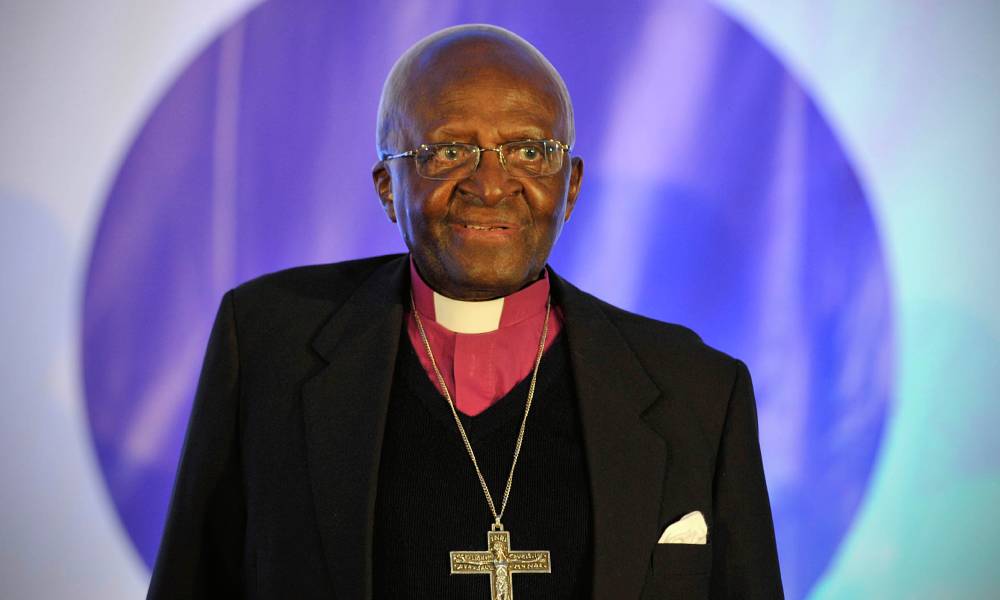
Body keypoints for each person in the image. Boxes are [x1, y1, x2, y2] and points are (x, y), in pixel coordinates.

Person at [147, 24, 782, 599]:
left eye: (529, 151)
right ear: (387, 189)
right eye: (447, 151)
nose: (490, 184)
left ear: (573, 187)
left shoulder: (696, 390)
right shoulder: (267, 348)